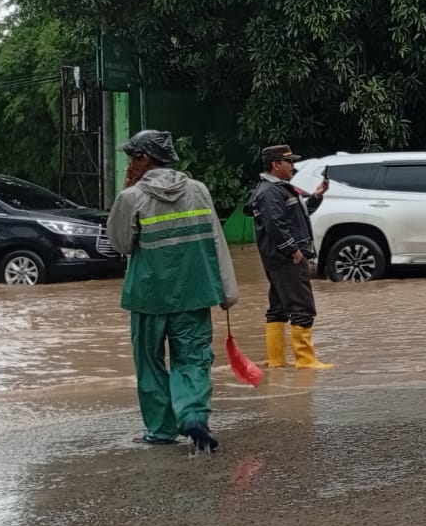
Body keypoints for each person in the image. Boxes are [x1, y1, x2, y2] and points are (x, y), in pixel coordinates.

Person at [106, 130, 239, 452]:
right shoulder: (198, 190)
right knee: (193, 360)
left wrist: (124, 194)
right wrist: (227, 291)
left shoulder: (132, 197)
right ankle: (193, 416)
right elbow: (217, 241)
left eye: (131, 159)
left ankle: (161, 430)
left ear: (144, 159)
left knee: (150, 364)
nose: (129, 166)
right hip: (195, 293)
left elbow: (120, 244)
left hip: (148, 298)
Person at [246, 144, 333, 369]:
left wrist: (316, 196)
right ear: (276, 165)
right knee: (302, 307)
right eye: (289, 162)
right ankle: (305, 361)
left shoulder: (278, 189)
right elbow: (275, 225)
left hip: (279, 259)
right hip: (286, 259)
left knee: (278, 308)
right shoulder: (270, 192)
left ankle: (276, 362)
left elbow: (297, 215)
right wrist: (294, 252)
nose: (292, 166)